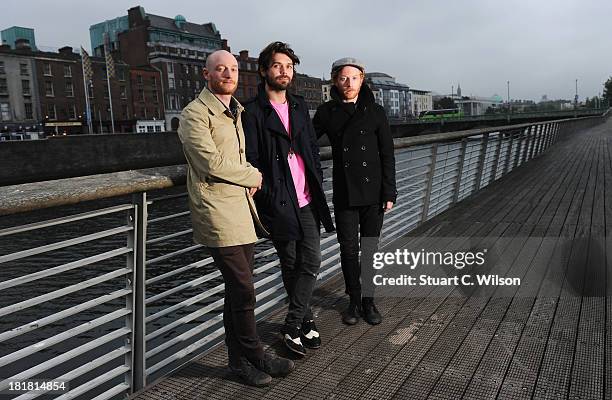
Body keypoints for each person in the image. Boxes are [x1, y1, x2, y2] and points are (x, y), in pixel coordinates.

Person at [177, 50, 294, 387]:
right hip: (216, 212)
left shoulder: (235, 111)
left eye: (232, 69)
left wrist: (248, 178)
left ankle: (237, 362)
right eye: (220, 69)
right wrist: (253, 176)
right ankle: (255, 353)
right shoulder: (194, 114)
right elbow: (210, 163)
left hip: (242, 210)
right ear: (206, 74)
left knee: (237, 290)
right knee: (244, 289)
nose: (228, 73)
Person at [243, 42, 335, 356]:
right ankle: (307, 322)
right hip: (279, 201)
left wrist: (318, 180)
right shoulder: (252, 112)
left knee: (311, 261)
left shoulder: (297, 105)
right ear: (264, 70)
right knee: (291, 264)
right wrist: (268, 194)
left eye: (289, 66)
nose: (285, 72)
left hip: (307, 198)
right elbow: (252, 160)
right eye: (278, 66)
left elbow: (310, 148)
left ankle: (292, 324)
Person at [313, 57, 397, 326]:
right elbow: (306, 141)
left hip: (373, 193)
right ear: (335, 81)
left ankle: (369, 301)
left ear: (362, 80)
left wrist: (389, 192)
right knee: (348, 249)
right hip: (345, 193)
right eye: (342, 78)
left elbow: (387, 154)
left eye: (354, 78)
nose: (348, 83)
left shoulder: (376, 111)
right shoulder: (326, 112)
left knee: (370, 248)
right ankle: (353, 300)